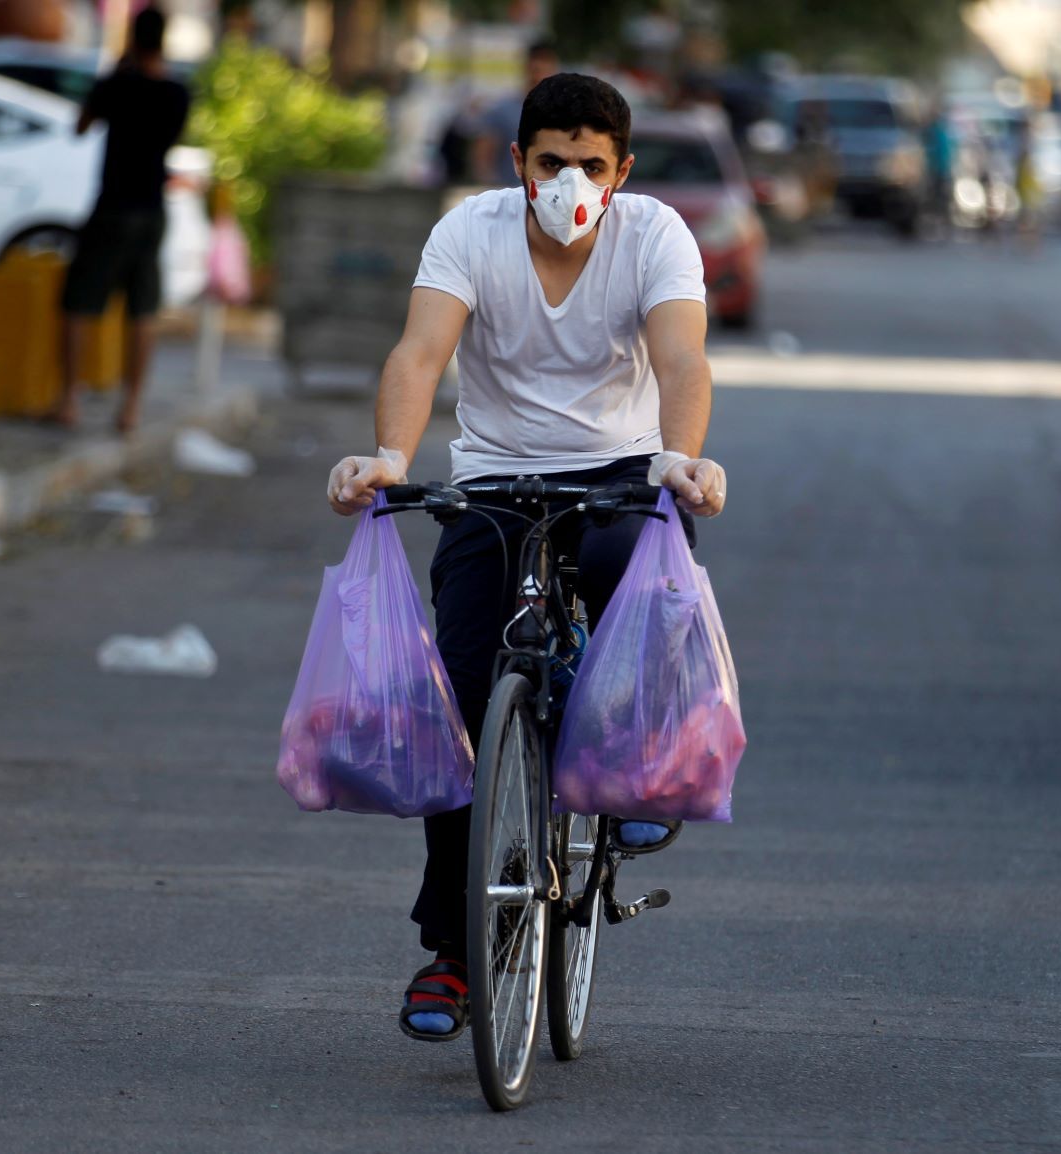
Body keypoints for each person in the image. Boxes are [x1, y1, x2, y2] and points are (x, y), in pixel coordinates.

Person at [323, 73, 727, 1043]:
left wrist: (681, 457)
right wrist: (389, 457)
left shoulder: (656, 235)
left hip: (623, 471)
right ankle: (453, 954)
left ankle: (624, 763)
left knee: (643, 579)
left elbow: (682, 358)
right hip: (494, 480)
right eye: (550, 162)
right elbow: (420, 352)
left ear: (621, 171)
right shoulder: (470, 230)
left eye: (591, 164)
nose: (569, 182)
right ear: (518, 161)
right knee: (461, 701)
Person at [51, 6, 190, 434]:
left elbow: (81, 125)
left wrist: (116, 73)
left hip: (112, 206)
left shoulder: (118, 84)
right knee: (142, 310)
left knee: (78, 303)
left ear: (133, 37)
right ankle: (130, 408)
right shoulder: (177, 92)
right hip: (152, 209)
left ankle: (70, 399)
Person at [469, 37, 560, 186]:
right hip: (512, 189)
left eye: (545, 67)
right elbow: (483, 156)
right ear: (527, 67)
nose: (539, 74)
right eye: (536, 68)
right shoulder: (502, 110)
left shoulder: (564, 112)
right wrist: (493, 188)